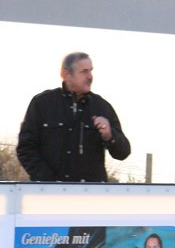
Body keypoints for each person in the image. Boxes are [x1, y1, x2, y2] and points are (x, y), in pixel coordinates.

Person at [16, 51, 131, 182]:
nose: (90, 76)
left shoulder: (102, 107)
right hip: (48, 196)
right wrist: (48, 181)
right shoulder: (42, 103)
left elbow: (123, 153)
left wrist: (110, 136)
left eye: (91, 71)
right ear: (66, 74)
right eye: (84, 71)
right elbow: (25, 148)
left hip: (90, 197)